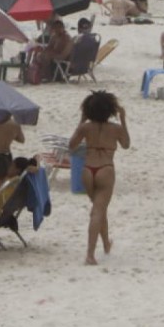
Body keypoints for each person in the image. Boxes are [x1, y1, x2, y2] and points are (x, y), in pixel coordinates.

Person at [68, 91, 130, 265]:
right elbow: (126, 144)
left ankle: (106, 244)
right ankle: (89, 254)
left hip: (88, 169)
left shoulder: (86, 127)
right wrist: (123, 119)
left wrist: (81, 121)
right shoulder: (115, 128)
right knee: (97, 211)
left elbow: (71, 146)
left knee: (99, 209)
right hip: (106, 168)